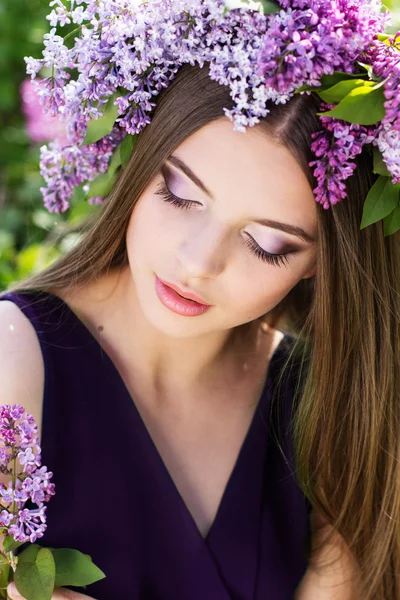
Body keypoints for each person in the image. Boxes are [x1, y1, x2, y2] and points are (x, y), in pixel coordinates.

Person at [1, 1, 400, 599]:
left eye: (266, 245)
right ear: (142, 159)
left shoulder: (328, 402)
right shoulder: (15, 365)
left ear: (322, 263)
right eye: (179, 193)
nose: (196, 262)